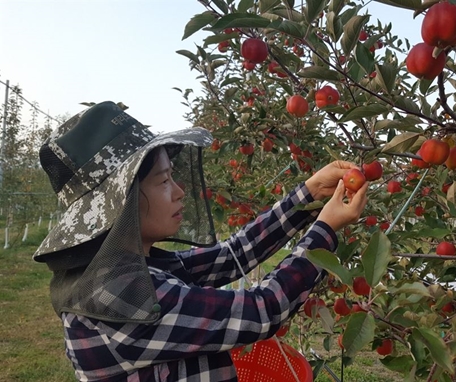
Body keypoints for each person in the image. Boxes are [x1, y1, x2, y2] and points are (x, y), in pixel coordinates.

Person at [33, 101, 368, 381]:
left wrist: (307, 195)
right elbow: (262, 310)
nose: (179, 192)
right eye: (164, 181)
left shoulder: (121, 269)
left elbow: (232, 255)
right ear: (122, 203)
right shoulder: (122, 297)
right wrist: (326, 228)